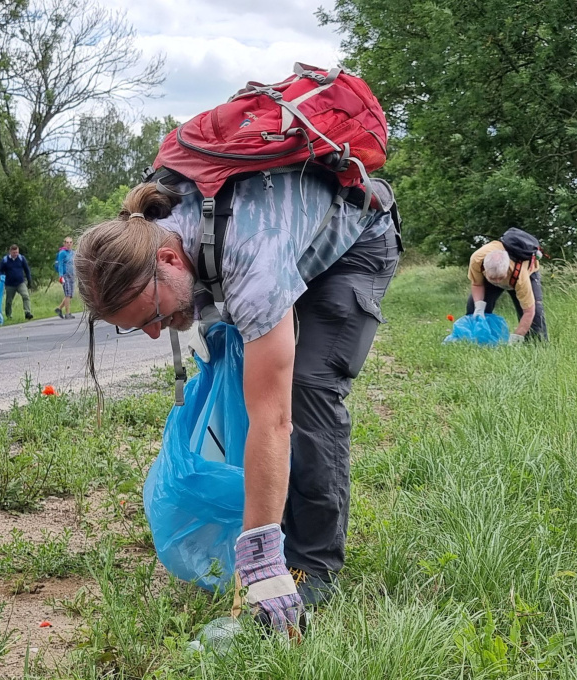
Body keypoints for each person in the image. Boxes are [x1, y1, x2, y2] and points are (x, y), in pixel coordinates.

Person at [75, 172, 401, 632]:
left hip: (352, 244)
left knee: (305, 389)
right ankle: (272, 522)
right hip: (272, 248)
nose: (154, 332)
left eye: (153, 315)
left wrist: (260, 561)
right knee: (235, 363)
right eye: (137, 326)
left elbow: (273, 418)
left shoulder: (252, 258)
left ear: (169, 259)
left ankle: (311, 564)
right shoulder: (152, 230)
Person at [466, 228, 547, 342]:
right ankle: (477, 339)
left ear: (506, 270)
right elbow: (477, 284)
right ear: (485, 268)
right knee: (474, 307)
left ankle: (537, 344)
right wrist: (479, 308)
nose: (497, 281)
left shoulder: (520, 277)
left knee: (536, 314)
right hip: (498, 273)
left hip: (520, 275)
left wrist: (517, 337)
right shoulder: (477, 260)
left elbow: (529, 311)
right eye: (493, 278)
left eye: (500, 278)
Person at [0, 244, 34, 320]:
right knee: (9, 301)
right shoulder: (5, 260)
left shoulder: (21, 258)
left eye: (17, 252)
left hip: (20, 282)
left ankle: (27, 312)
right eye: (14, 252)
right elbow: (0, 270)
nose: (15, 254)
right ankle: (9, 315)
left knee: (25, 296)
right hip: (10, 284)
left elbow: (27, 270)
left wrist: (29, 280)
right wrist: (1, 277)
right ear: (10, 252)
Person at [55, 236, 75, 319]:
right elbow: (60, 264)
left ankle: (59, 308)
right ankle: (67, 313)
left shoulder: (73, 253)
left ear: (72, 243)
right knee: (67, 294)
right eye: (67, 242)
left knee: (70, 295)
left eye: (70, 242)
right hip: (65, 275)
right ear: (64, 243)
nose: (69, 244)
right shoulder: (62, 253)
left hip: (72, 275)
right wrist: (60, 276)